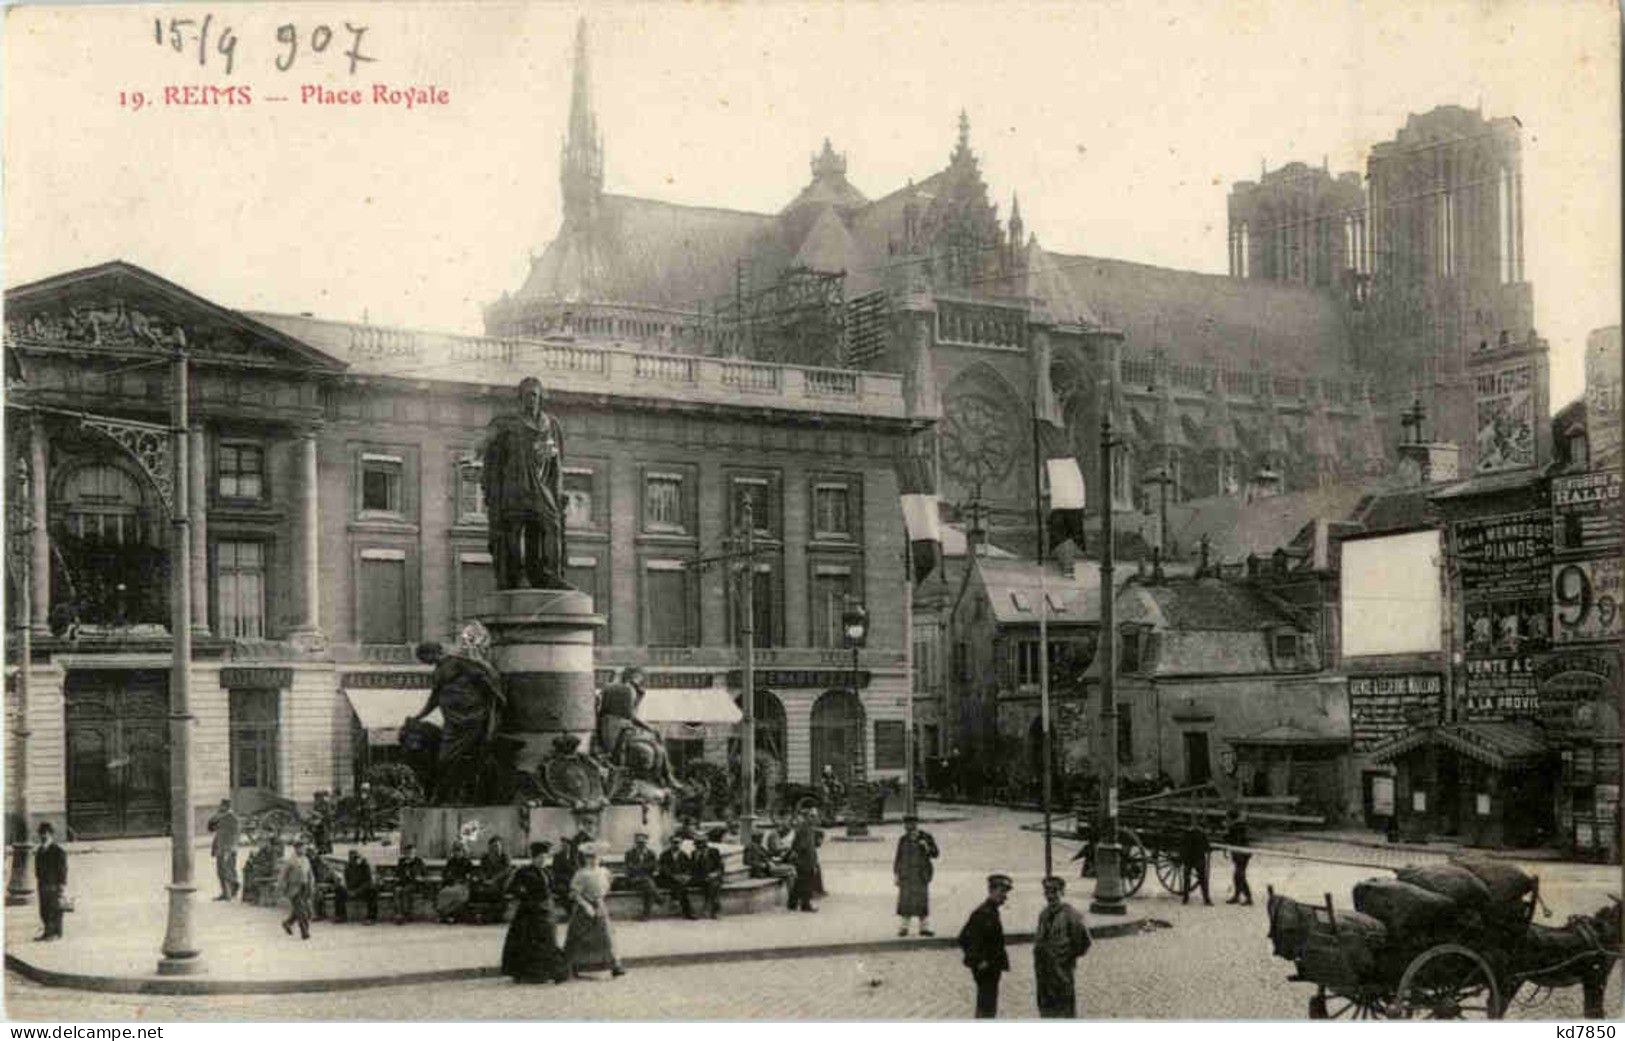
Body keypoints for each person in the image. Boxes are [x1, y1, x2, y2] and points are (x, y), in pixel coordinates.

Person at [481, 376, 568, 590]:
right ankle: (514, 576)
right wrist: (491, 490)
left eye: (536, 395)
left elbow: (558, 461)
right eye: (528, 395)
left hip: (540, 487)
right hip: (514, 488)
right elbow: (489, 454)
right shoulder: (507, 424)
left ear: (541, 398)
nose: (533, 400)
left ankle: (548, 574)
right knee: (512, 531)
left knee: (551, 524)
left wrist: (558, 491)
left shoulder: (551, 425)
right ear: (520, 398)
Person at [410, 628, 506, 806]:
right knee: (444, 759)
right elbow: (435, 697)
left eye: (425, 658)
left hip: (471, 717)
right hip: (453, 721)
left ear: (434, 652)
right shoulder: (438, 671)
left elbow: (482, 678)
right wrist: (420, 716)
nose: (425, 662)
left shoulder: (457, 662)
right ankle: (447, 795)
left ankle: (453, 796)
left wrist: (497, 696)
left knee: (460, 758)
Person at [501, 841, 569, 985]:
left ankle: (551, 972)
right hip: (529, 913)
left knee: (549, 941)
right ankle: (530, 973)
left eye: (545, 857)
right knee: (528, 941)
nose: (542, 860)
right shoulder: (524, 871)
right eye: (539, 857)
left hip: (546, 911)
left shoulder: (547, 872)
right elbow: (512, 888)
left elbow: (552, 889)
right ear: (533, 857)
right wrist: (523, 893)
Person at [1033, 876, 1092, 1018]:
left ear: (1062, 892)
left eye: (1054, 892)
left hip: (1062, 975)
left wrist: (1067, 956)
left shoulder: (1071, 915)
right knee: (1046, 1012)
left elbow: (1084, 941)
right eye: (1047, 892)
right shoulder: (1043, 915)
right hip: (1043, 976)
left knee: (1064, 1012)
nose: (1050, 896)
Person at [564, 843, 625, 978]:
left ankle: (614, 964)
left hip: (599, 905)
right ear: (585, 858)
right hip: (584, 907)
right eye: (589, 857)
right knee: (580, 936)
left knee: (606, 934)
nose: (592, 860)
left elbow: (607, 886)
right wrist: (586, 905)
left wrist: (600, 900)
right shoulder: (581, 874)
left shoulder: (604, 872)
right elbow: (574, 894)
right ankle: (574, 965)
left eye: (595, 857)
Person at [957, 873, 1013, 1018]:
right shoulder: (982, 913)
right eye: (1002, 892)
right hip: (986, 969)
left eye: (1005, 892)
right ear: (992, 891)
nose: (1005, 896)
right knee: (986, 1006)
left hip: (991, 967)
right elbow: (964, 938)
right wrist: (979, 961)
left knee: (988, 1004)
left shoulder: (991, 911)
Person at [893, 814, 940, 937]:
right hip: (907, 874)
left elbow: (935, 853)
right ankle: (904, 928)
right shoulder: (903, 839)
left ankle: (924, 927)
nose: (908, 827)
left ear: (916, 824)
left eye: (911, 824)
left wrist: (927, 847)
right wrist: (896, 874)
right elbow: (898, 858)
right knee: (905, 901)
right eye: (906, 824)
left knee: (922, 901)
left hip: (920, 874)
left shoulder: (926, 837)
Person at [33, 822, 67, 941]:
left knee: (55, 909)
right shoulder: (39, 851)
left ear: (51, 835)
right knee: (44, 909)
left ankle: (55, 933)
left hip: (54, 884)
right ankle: (47, 932)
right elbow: (37, 869)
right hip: (43, 884)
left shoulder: (58, 851)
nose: (43, 836)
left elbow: (63, 869)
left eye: (46, 834)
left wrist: (62, 885)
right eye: (41, 834)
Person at [279, 838, 314, 940]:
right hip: (294, 888)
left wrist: (311, 885)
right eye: (300, 848)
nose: (302, 850)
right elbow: (283, 875)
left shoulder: (306, 859)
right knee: (302, 911)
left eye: (303, 847)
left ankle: (287, 923)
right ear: (296, 849)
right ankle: (305, 932)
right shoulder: (291, 861)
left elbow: (310, 874)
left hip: (305, 887)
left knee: (301, 910)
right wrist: (282, 888)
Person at [620, 832, 661, 919]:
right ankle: (658, 897)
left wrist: (639, 868)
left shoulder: (651, 854)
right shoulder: (629, 853)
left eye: (643, 843)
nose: (641, 845)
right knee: (648, 883)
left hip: (646, 881)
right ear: (636, 843)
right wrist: (644, 868)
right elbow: (629, 867)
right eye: (639, 843)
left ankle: (646, 915)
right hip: (634, 880)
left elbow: (654, 866)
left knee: (648, 889)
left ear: (646, 843)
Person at [207, 798, 241, 901]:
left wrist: (228, 850)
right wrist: (216, 816)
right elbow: (210, 828)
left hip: (228, 849)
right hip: (221, 848)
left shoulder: (233, 818)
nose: (220, 808)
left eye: (223, 806)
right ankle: (227, 892)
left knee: (227, 871)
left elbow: (234, 836)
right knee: (222, 871)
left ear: (227, 807)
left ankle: (230, 892)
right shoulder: (220, 817)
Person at [787, 810, 821, 912]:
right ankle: (805, 905)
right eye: (813, 816)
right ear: (807, 817)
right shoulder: (804, 829)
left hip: (807, 859)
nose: (815, 819)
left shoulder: (807, 828)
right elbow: (802, 845)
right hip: (804, 859)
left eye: (815, 816)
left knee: (800, 882)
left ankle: (792, 903)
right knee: (806, 882)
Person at [334, 849, 380, 924]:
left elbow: (368, 882)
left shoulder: (364, 866)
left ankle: (371, 917)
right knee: (339, 890)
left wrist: (357, 891)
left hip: (362, 890)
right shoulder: (347, 867)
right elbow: (346, 881)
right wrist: (349, 890)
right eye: (351, 858)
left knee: (372, 891)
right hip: (351, 890)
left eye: (355, 858)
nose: (353, 860)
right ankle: (340, 915)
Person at [656, 834, 695, 920]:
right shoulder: (665, 855)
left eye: (678, 843)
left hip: (679, 880)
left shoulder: (684, 855)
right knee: (681, 888)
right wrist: (674, 876)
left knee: (681, 886)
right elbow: (663, 869)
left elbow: (688, 867)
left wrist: (685, 876)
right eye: (674, 842)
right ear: (671, 843)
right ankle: (688, 912)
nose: (676, 844)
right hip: (666, 879)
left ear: (680, 844)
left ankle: (678, 903)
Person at [690, 828, 726, 918]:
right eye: (697, 843)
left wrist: (714, 874)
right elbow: (692, 868)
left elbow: (720, 867)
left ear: (706, 843)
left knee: (714, 885)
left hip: (713, 876)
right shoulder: (694, 853)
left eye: (701, 843)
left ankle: (713, 909)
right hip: (700, 877)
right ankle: (693, 910)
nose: (699, 845)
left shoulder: (714, 851)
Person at [1179, 813, 1213, 906]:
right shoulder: (1200, 833)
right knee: (1202, 879)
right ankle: (1206, 899)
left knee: (1187, 878)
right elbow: (1207, 847)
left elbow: (1181, 848)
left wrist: (1182, 858)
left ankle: (1185, 898)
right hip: (1199, 859)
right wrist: (1209, 849)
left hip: (1189, 859)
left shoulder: (1184, 834)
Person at [436, 841, 475, 923]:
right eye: (455, 851)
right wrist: (449, 878)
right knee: (444, 893)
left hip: (462, 886)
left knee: (457, 895)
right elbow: (445, 873)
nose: (457, 853)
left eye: (459, 851)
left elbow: (470, 876)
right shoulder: (451, 862)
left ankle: (447, 915)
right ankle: (446, 915)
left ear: (463, 852)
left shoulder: (467, 862)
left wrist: (463, 881)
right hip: (451, 884)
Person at [393, 842, 429, 923]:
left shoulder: (418, 861)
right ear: (405, 853)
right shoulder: (401, 861)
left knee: (406, 890)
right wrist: (400, 873)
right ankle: (398, 914)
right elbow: (397, 873)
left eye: (411, 853)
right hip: (402, 882)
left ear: (414, 853)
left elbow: (424, 873)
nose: (409, 854)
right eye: (408, 853)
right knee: (397, 890)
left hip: (414, 884)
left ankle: (407, 914)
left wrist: (420, 877)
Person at [1223, 807, 1253, 906]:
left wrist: (1226, 833)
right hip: (1241, 853)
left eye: (1227, 817)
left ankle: (1248, 898)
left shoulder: (1236, 827)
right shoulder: (1238, 825)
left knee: (1240, 876)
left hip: (1241, 854)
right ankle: (1237, 895)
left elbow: (1233, 840)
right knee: (1237, 876)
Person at [476, 836, 514, 902]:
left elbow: (506, 871)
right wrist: (484, 879)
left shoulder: (505, 857)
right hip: (488, 881)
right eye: (494, 846)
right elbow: (481, 870)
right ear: (490, 847)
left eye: (498, 845)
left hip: (501, 881)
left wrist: (493, 880)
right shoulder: (485, 858)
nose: (497, 848)